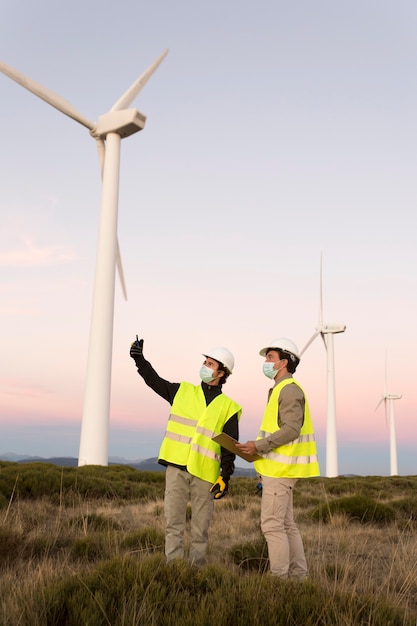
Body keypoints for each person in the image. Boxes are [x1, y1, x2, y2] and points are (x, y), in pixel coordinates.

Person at [130, 337, 242, 566]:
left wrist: (225, 477)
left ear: (222, 373)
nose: (205, 366)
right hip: (176, 468)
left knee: (201, 529)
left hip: (205, 475)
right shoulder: (182, 391)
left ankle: (196, 572)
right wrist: (140, 360)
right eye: (206, 362)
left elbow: (229, 446)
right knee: (173, 524)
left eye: (210, 364)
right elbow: (154, 381)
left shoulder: (229, 406)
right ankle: (173, 570)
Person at [236, 338, 320, 580]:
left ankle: (279, 580)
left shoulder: (289, 389)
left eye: (270, 357)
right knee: (286, 525)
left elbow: (292, 429)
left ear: (284, 362)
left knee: (273, 526)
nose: (266, 362)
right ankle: (297, 577)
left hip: (281, 472)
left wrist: (258, 446)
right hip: (278, 470)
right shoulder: (280, 390)